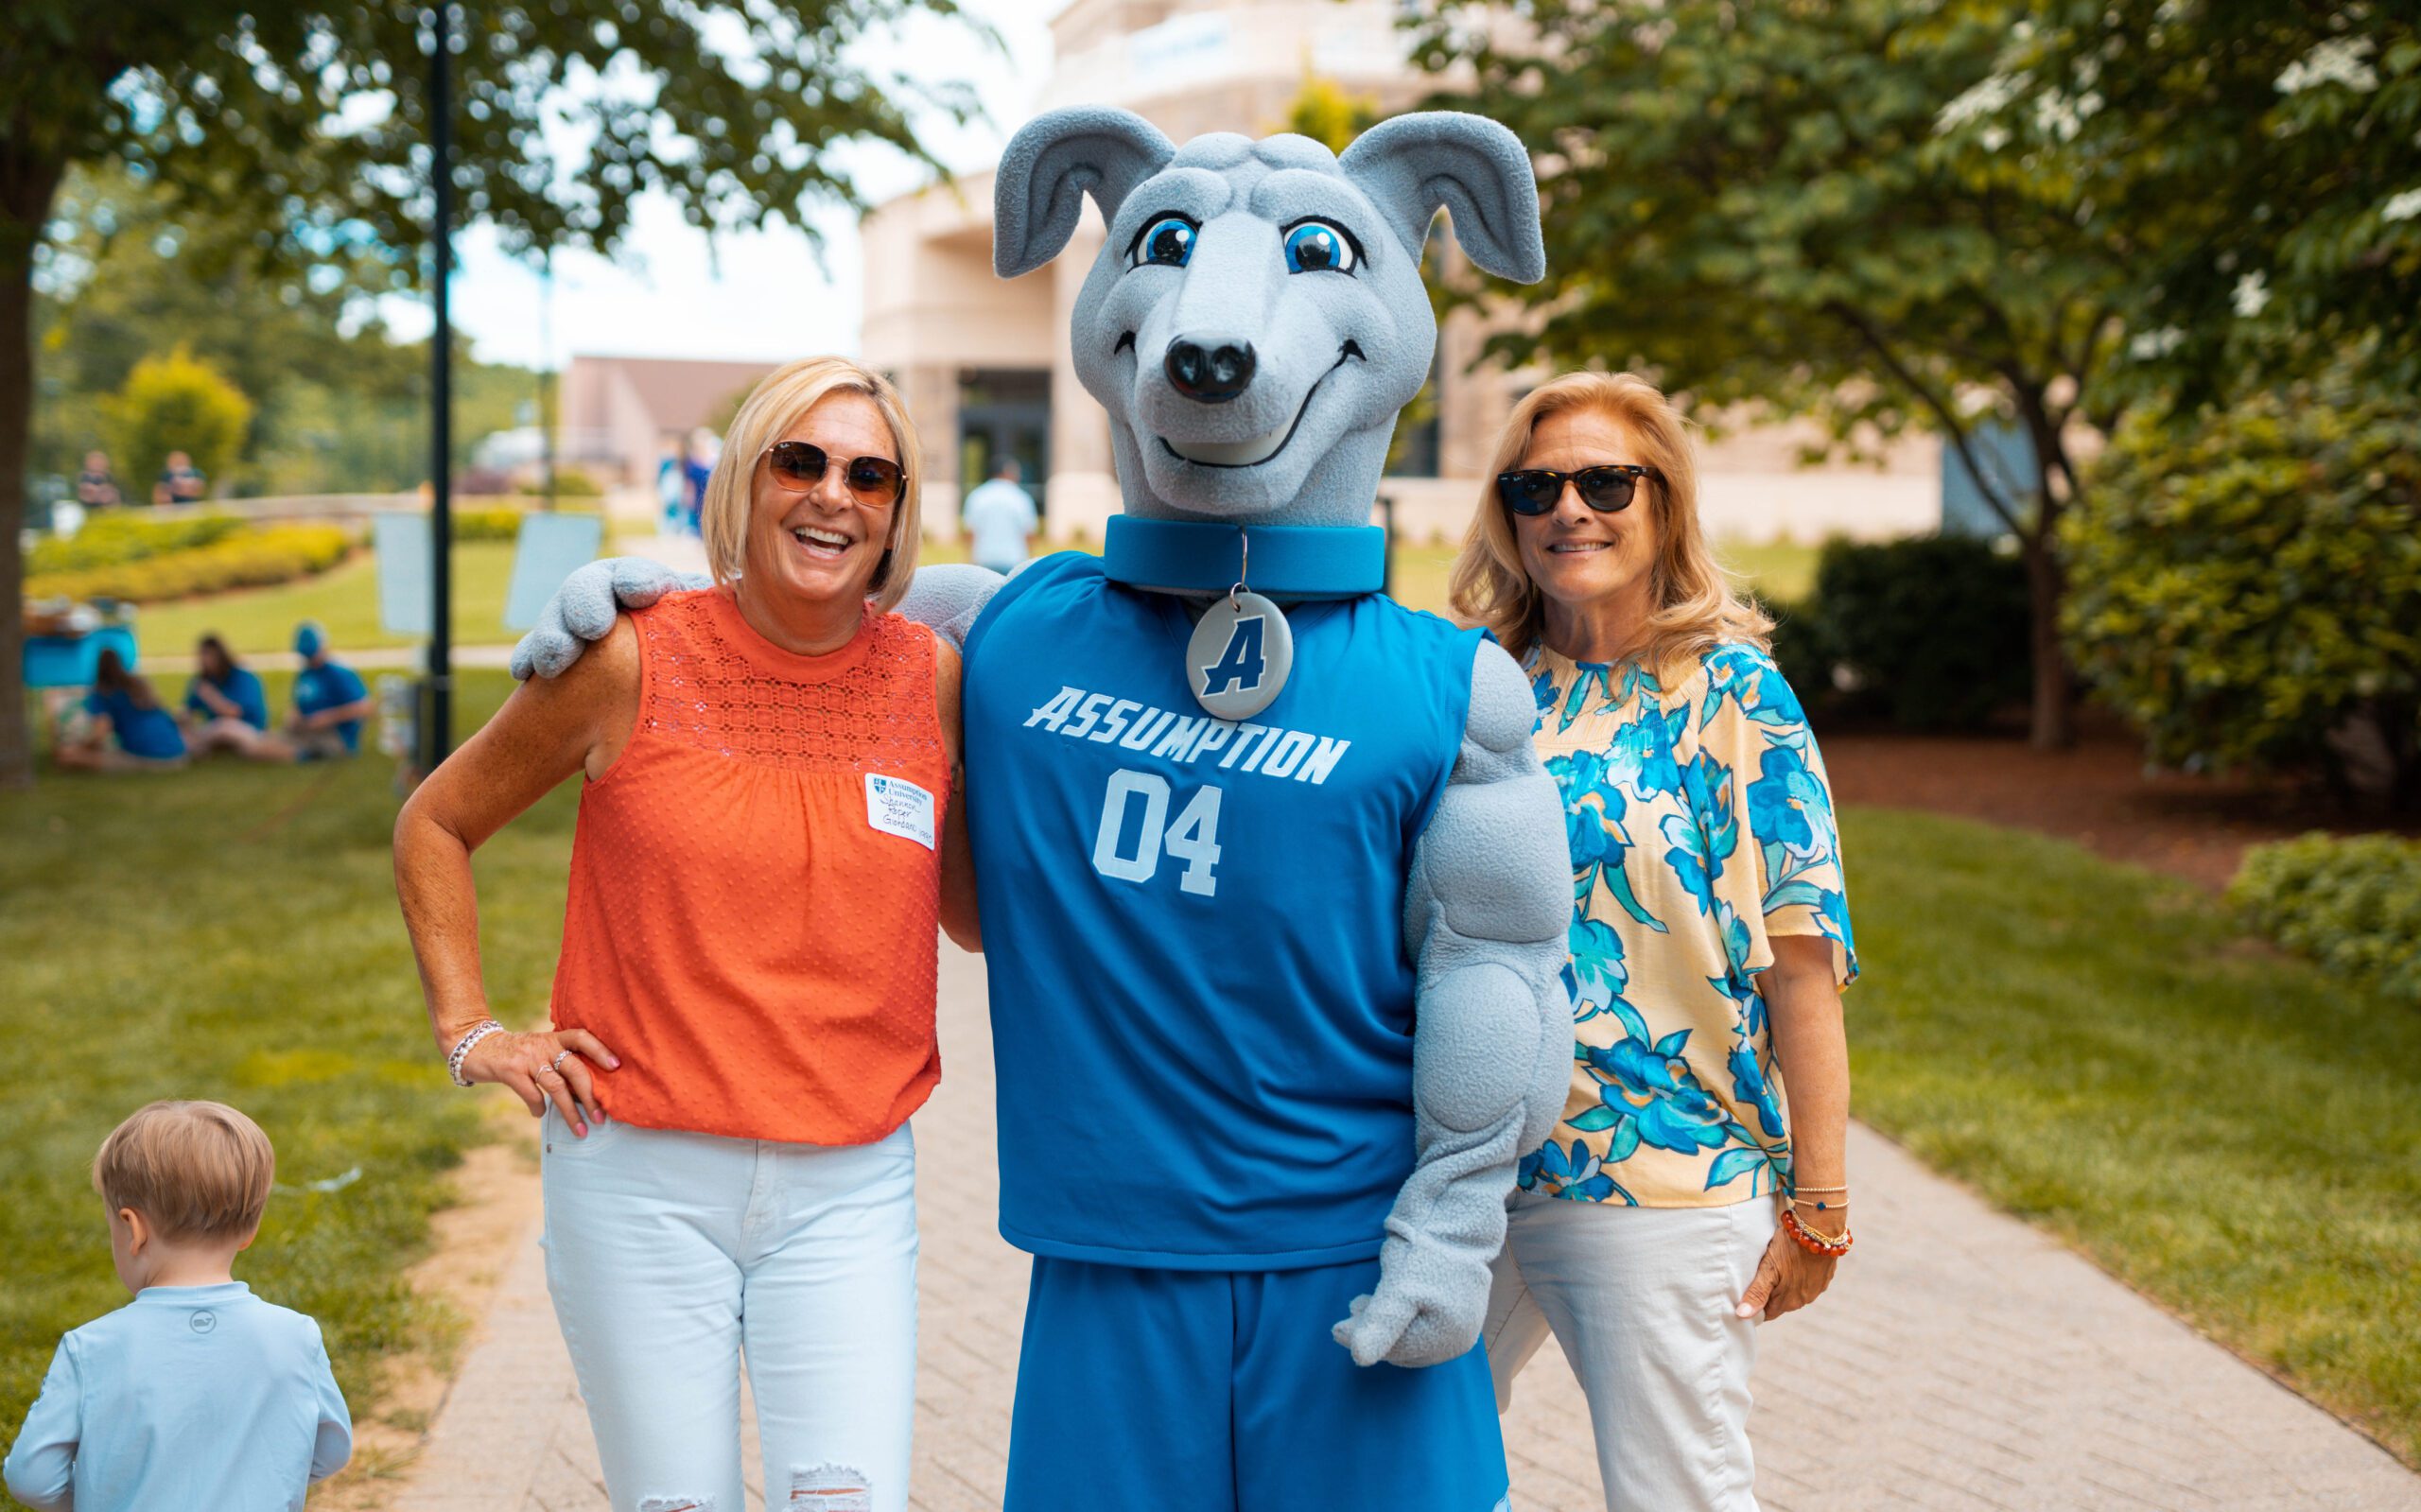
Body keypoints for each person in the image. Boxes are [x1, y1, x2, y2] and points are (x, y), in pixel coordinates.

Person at [394, 356, 979, 1512]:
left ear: (898, 512)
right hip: (637, 1179)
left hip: (849, 1185)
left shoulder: (936, 680)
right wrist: (474, 1033)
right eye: (799, 461)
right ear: (742, 481)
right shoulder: (629, 654)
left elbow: (970, 917)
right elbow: (435, 823)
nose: (833, 496)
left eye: (871, 477)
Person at [1451, 373, 1857, 1512]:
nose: (1567, 508)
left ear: (1663, 504)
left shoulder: (1739, 698)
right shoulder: (1477, 686)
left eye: (1604, 481)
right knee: (1392, 1475)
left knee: (1675, 1495)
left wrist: (1817, 1206)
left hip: (1657, 1172)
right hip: (1466, 1170)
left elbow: (1803, 972)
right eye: (1536, 487)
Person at [3, 1101, 353, 1511]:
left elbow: (31, 1478)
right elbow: (331, 1449)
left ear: (133, 1229)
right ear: (250, 1229)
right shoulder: (295, 1336)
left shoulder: (90, 1348)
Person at [55, 647, 187, 772]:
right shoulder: (139, 686)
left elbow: (100, 732)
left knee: (68, 756)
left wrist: (80, 747)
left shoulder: (103, 693)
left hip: (148, 757)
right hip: (178, 754)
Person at [183, 634, 283, 760]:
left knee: (225, 727)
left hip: (251, 728)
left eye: (208, 655)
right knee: (186, 734)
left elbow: (233, 712)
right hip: (216, 729)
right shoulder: (203, 680)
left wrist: (210, 696)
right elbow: (188, 711)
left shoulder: (241, 677)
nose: (204, 661)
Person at [286, 622, 374, 760]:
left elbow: (364, 707)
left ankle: (302, 754)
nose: (309, 660)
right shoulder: (306, 674)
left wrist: (327, 718)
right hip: (308, 730)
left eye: (312, 654)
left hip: (337, 735)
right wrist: (295, 715)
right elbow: (300, 703)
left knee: (290, 748)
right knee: (277, 739)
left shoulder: (339, 673)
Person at [959, 458, 1039, 575]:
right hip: (1015, 560)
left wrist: (969, 559)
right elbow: (1029, 533)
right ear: (1007, 472)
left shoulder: (977, 496)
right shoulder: (1020, 497)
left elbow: (970, 532)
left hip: (983, 560)